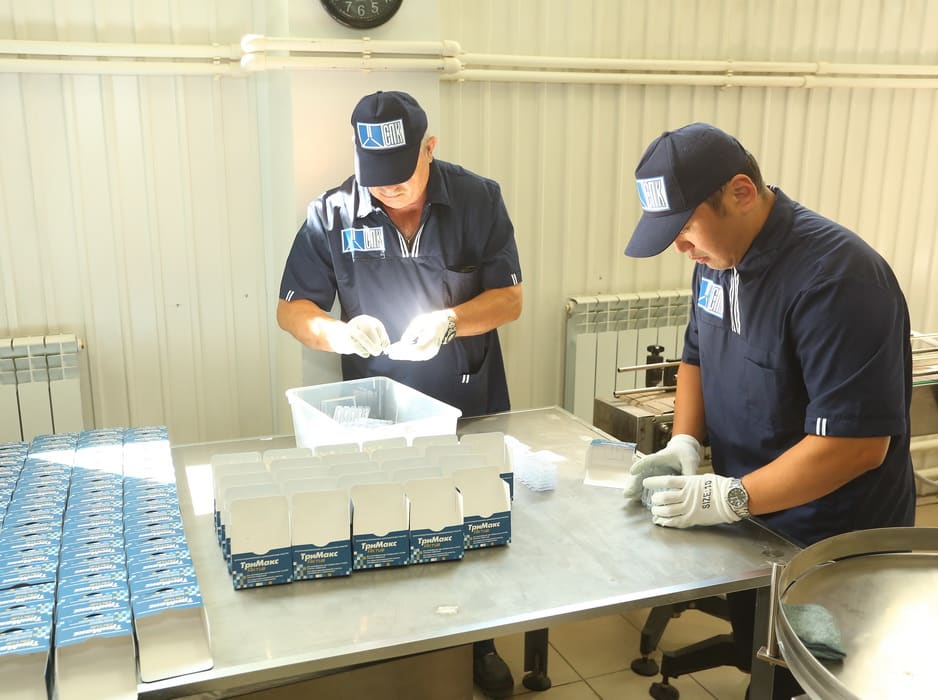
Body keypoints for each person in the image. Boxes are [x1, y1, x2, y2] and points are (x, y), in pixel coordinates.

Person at [621, 122, 915, 698]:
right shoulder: (717, 258)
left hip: (827, 547)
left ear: (741, 193)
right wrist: (684, 441)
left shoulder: (838, 278)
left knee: (812, 680)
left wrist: (729, 497)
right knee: (762, 659)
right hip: (755, 527)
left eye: (685, 229)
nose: (681, 248)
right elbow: (696, 355)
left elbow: (855, 447)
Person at [277, 90, 523, 699]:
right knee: (385, 525)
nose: (388, 190)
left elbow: (510, 298)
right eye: (376, 178)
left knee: (470, 523)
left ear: (429, 149)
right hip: (376, 412)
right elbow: (292, 309)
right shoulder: (333, 214)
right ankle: (393, 644)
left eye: (401, 176)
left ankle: (480, 642)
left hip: (466, 401)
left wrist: (451, 322)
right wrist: (336, 332)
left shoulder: (478, 200)